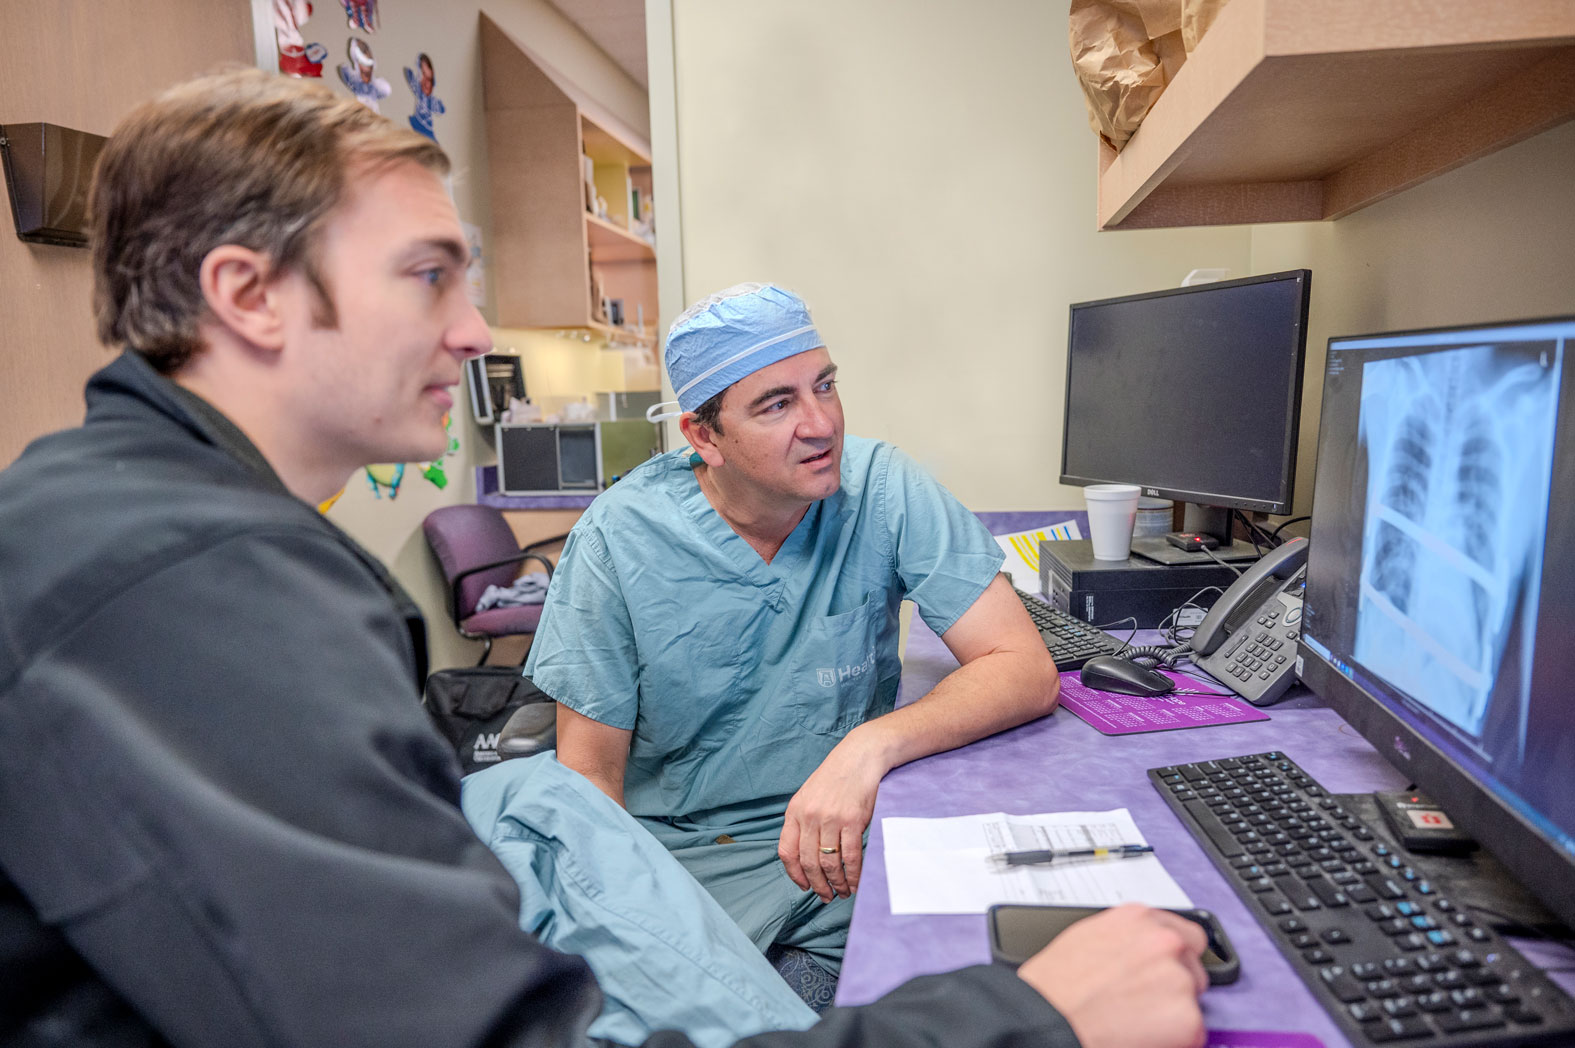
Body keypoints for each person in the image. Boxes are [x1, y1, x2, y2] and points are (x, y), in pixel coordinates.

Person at [0, 68, 1210, 1048]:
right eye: (428, 275)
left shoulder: (173, 534)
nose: (474, 331)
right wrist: (1029, 1019)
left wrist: (870, 752)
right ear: (247, 295)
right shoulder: (179, 592)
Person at [526, 283, 1058, 982]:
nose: (820, 423)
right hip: (687, 859)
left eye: (824, 386)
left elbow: (1021, 665)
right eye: (776, 404)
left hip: (841, 846)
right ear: (702, 436)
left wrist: (867, 747)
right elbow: (590, 778)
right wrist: (630, 929)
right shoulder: (619, 538)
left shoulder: (882, 488)